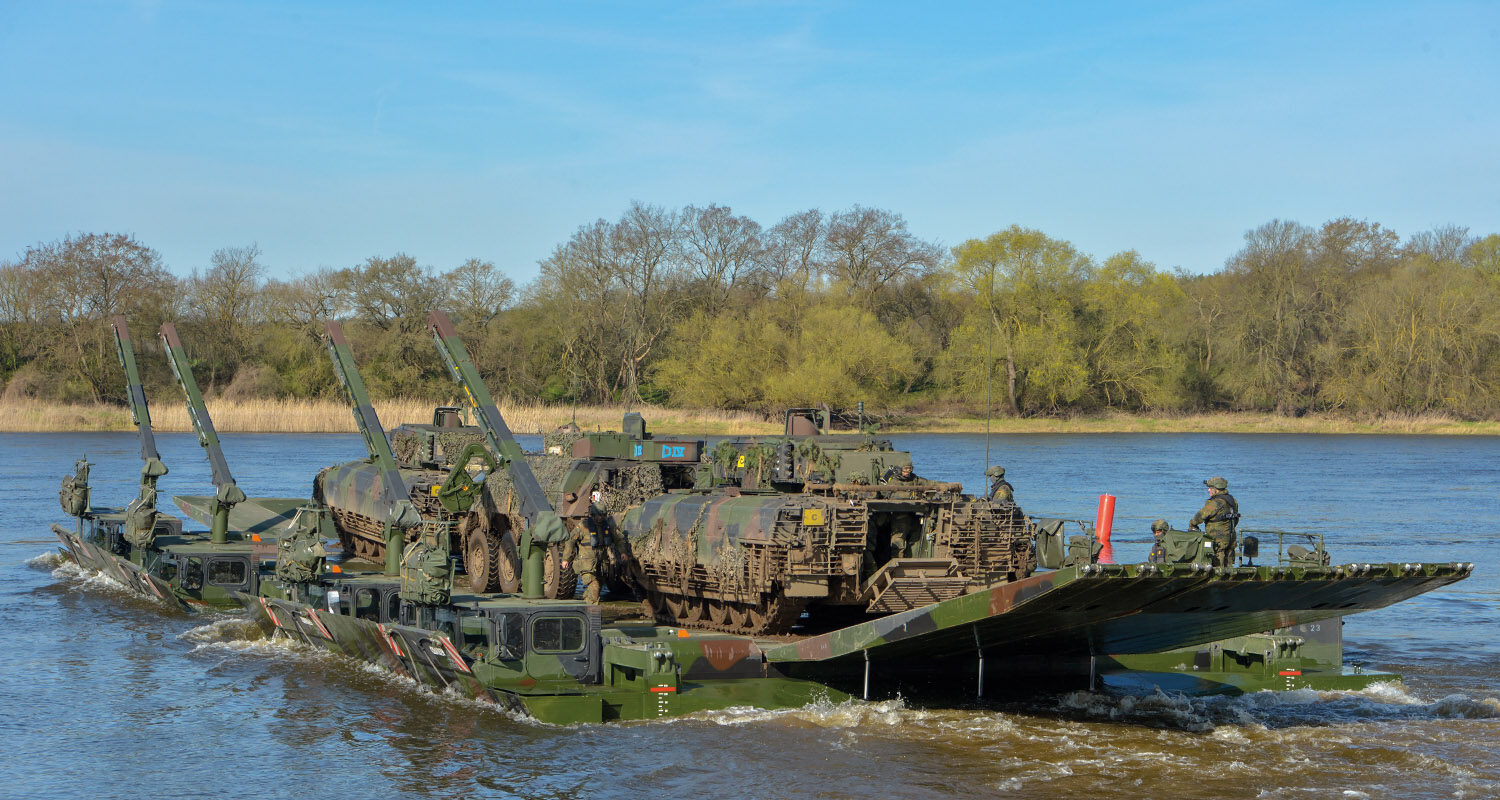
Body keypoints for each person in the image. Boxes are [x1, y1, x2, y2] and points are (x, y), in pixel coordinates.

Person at [561, 506, 621, 604]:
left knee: (597, 587)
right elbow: (570, 541)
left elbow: (619, 539)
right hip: (587, 564)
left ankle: (586, 606)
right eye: (599, 515)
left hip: (601, 565)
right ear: (593, 514)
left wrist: (622, 552)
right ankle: (592, 613)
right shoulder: (583, 526)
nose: (601, 517)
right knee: (594, 586)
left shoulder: (607, 526)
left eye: (603, 515)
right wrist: (565, 559)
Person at [1189, 476, 1240, 568]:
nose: (1209, 490)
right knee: (1228, 565)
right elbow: (1236, 519)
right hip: (1231, 538)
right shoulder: (1232, 501)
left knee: (1217, 564)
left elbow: (1200, 516)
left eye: (1210, 488)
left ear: (1216, 490)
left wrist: (1192, 524)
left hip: (1217, 539)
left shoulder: (1215, 502)